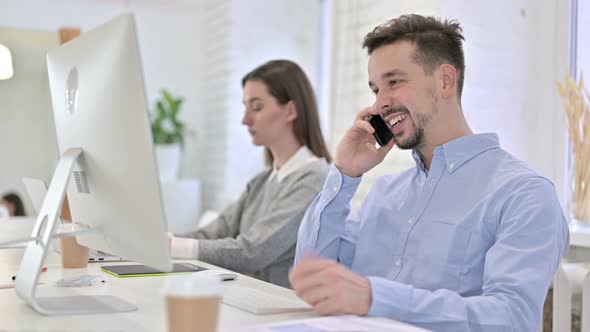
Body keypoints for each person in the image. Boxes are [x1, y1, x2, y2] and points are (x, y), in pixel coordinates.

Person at [289, 14, 569, 331]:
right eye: (375, 89)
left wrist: (374, 297)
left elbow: (511, 319)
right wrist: (344, 175)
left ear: (445, 81)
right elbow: (312, 278)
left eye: (394, 82)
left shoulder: (523, 194)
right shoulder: (384, 193)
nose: (381, 103)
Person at [169, 60, 331, 288]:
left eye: (256, 107)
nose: (245, 120)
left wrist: (173, 246)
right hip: (249, 301)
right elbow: (212, 234)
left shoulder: (314, 178)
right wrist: (159, 241)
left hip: (283, 313)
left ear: (290, 110)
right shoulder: (262, 181)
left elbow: (253, 251)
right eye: (246, 107)